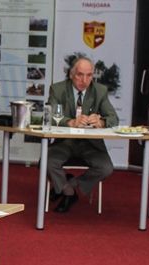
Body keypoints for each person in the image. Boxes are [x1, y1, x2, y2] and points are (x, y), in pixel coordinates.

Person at [47, 56, 119, 213]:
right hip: (64, 142)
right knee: (47, 162)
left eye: (89, 75)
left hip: (90, 143)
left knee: (106, 168)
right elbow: (49, 116)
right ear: (71, 74)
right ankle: (68, 193)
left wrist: (101, 122)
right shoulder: (57, 89)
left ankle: (70, 184)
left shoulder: (99, 91)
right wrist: (70, 122)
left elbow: (114, 118)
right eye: (80, 75)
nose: (84, 80)